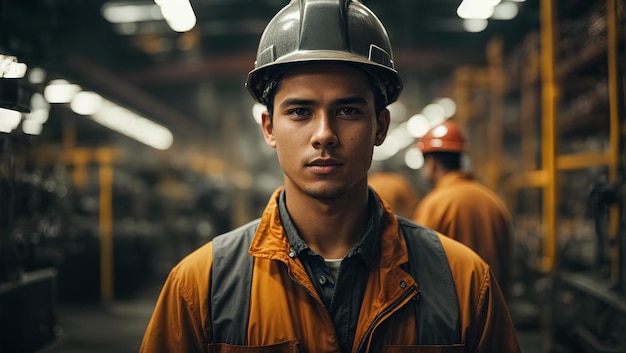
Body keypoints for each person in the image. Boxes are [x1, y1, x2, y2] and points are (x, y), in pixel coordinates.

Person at [139, 1, 521, 352]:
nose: (324, 134)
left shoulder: (466, 283)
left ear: (380, 126)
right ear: (269, 128)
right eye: (301, 112)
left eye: (348, 111)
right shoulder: (199, 287)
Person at [412, 119, 514, 299]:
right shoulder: (494, 201)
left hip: (451, 315)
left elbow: (418, 265)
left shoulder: (434, 204)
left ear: (432, 163)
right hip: (493, 308)